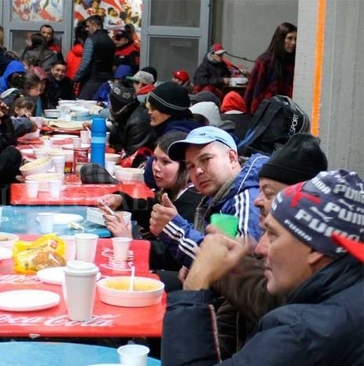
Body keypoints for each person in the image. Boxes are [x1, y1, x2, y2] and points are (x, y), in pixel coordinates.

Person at [163, 169, 364, 366]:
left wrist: (196, 282)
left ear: (316, 249)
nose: (260, 248)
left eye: (273, 235)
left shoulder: (301, 336)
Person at [213, 133, 328, 358]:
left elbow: (273, 304)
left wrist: (223, 267)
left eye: (267, 192)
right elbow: (229, 322)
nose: (257, 200)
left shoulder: (310, 255)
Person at [150, 126, 268, 269]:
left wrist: (174, 230)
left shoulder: (247, 200)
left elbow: (232, 270)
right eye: (191, 166)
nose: (198, 171)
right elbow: (216, 251)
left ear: (232, 158)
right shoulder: (222, 195)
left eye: (206, 159)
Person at [101, 132, 203, 277]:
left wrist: (130, 242)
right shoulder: (174, 190)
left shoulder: (192, 200)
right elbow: (151, 209)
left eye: (165, 162)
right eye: (155, 159)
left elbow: (172, 258)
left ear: (186, 167)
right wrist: (121, 201)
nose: (155, 167)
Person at [244, 22, 297, 114]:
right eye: (289, 38)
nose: (293, 43)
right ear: (280, 38)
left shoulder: (294, 63)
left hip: (288, 113)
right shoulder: (264, 61)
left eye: (295, 39)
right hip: (265, 113)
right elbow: (253, 90)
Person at [73, 15, 116, 100]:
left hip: (91, 81)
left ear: (95, 25)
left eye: (88, 26)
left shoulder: (91, 40)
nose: (86, 29)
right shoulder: (110, 41)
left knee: (83, 107)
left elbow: (85, 62)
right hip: (106, 81)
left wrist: (76, 78)